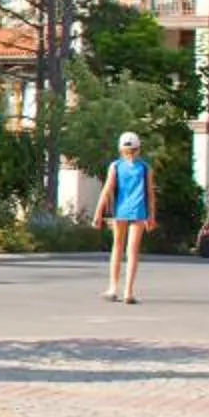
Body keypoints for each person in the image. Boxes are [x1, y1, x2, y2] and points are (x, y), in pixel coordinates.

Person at [93, 130, 152, 304]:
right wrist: (152, 215)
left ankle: (113, 288)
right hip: (139, 212)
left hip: (121, 211)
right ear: (138, 149)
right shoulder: (145, 168)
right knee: (132, 251)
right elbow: (150, 193)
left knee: (117, 248)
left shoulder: (116, 166)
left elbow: (108, 189)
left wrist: (98, 212)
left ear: (120, 149)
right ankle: (128, 291)